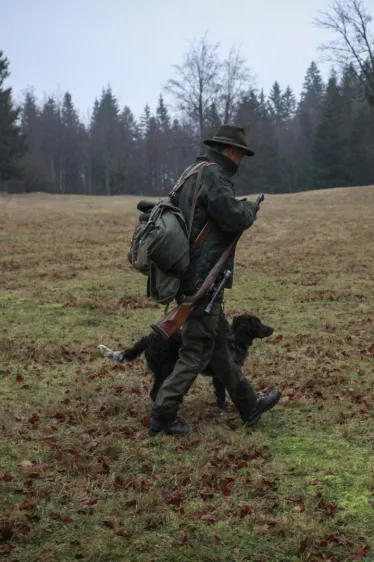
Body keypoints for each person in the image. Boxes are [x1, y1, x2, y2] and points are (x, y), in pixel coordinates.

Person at [148, 125, 281, 436]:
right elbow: (233, 217)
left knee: (219, 345)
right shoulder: (213, 176)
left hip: (192, 275)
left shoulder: (192, 171)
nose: (240, 161)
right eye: (241, 155)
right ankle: (163, 414)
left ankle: (249, 405)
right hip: (202, 279)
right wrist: (249, 207)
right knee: (196, 351)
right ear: (232, 152)